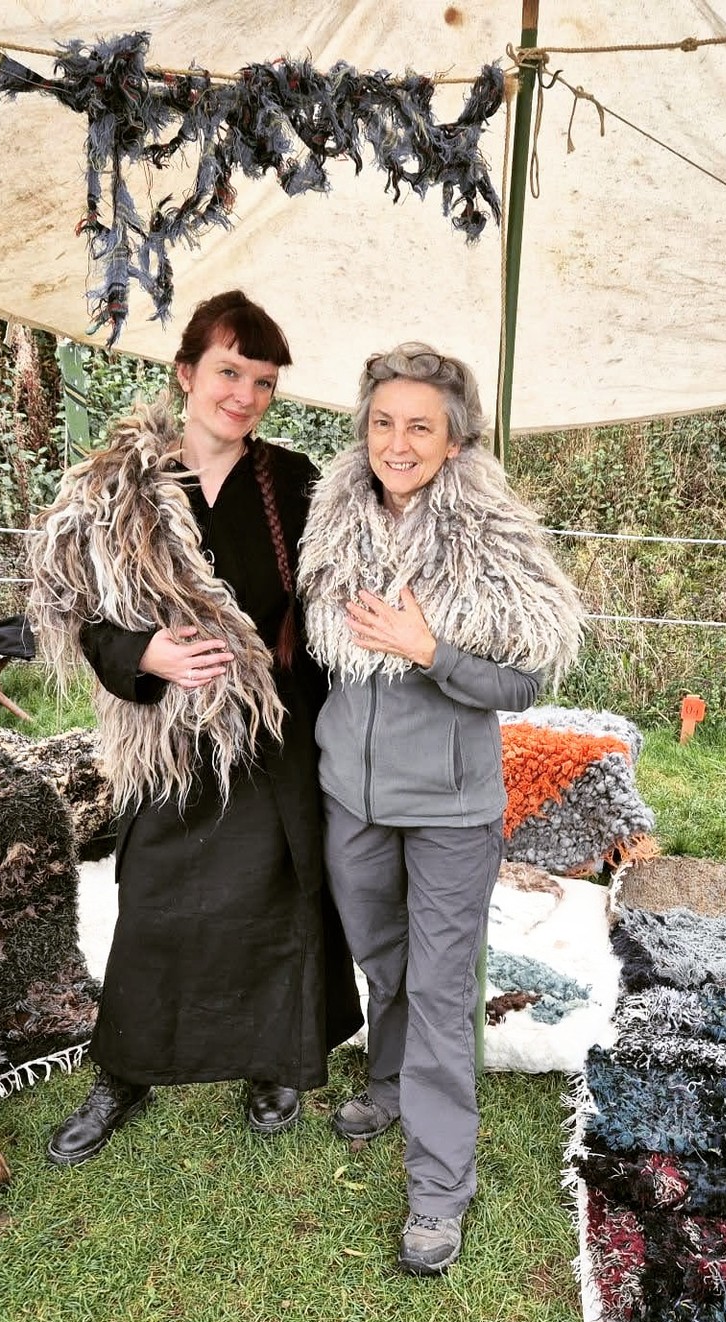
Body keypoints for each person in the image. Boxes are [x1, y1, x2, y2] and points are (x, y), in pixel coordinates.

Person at [29, 290, 362, 1165]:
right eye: (227, 372)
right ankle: (125, 1071)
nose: (244, 394)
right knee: (155, 903)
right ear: (185, 374)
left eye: (262, 380)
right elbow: (79, 617)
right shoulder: (118, 491)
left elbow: (330, 604)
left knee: (277, 901)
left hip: (273, 733)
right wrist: (148, 654)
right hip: (171, 743)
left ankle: (274, 1061)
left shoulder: (293, 483)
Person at [297, 343, 584, 1274]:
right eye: (383, 421)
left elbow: (524, 679)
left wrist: (430, 651)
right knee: (382, 955)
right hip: (352, 793)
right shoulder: (333, 521)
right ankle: (387, 1081)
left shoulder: (491, 538)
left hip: (452, 807)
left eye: (420, 425)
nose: (398, 441)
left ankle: (437, 1183)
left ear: (455, 441)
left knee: (444, 983)